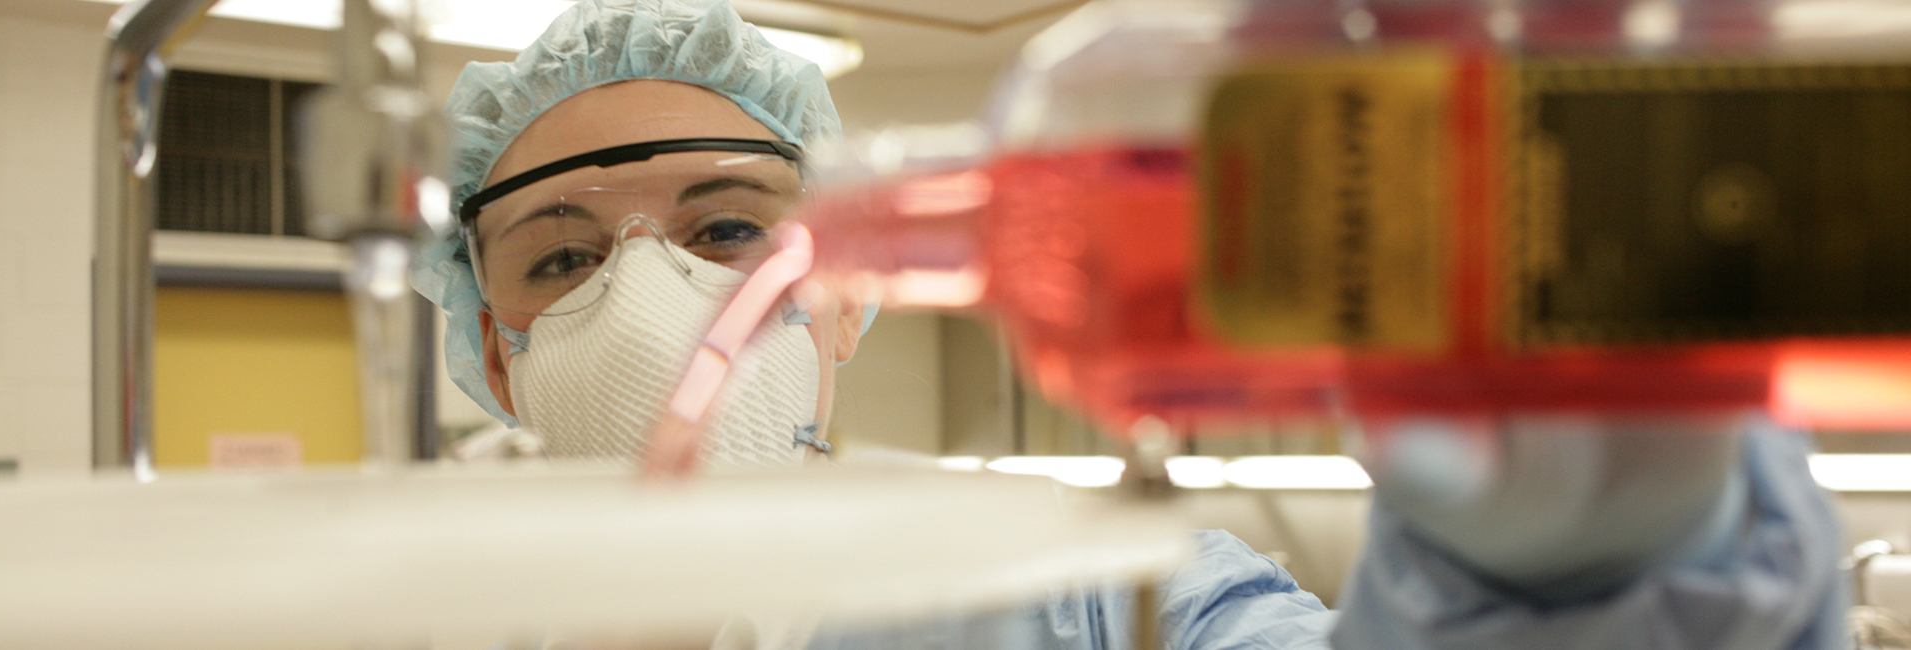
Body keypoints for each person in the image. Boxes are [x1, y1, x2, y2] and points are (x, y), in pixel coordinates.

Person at [413, 0, 1848, 647]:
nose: (655, 294)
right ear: (493, 347)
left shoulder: (1088, 583)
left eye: (731, 231)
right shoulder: (345, 614)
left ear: (842, 291)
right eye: (562, 256)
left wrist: (1568, 584)